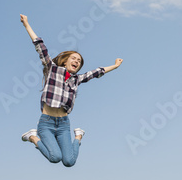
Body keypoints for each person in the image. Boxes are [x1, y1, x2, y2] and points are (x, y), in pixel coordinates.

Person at [20, 14, 123, 167]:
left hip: (63, 124)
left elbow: (96, 72)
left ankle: (78, 136)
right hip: (46, 123)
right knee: (55, 157)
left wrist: (114, 66)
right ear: (66, 60)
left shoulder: (76, 79)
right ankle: (33, 138)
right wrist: (27, 25)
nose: (76, 61)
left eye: (79, 61)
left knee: (68, 161)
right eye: (74, 58)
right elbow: (41, 48)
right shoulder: (52, 69)